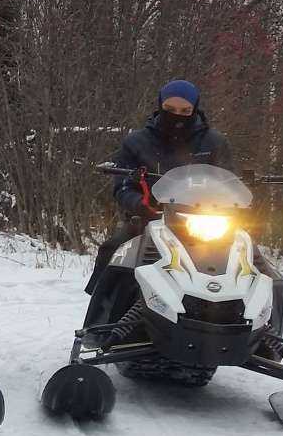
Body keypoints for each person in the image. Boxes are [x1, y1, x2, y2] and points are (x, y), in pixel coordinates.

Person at [90, 79, 234, 286]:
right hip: (149, 218)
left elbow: (229, 181)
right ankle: (103, 312)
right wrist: (140, 203)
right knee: (113, 251)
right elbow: (122, 187)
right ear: (160, 105)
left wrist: (231, 203)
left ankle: (258, 312)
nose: (177, 116)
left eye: (185, 111)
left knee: (252, 258)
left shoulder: (214, 142)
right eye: (170, 109)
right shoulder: (137, 141)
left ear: (195, 109)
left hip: (205, 222)